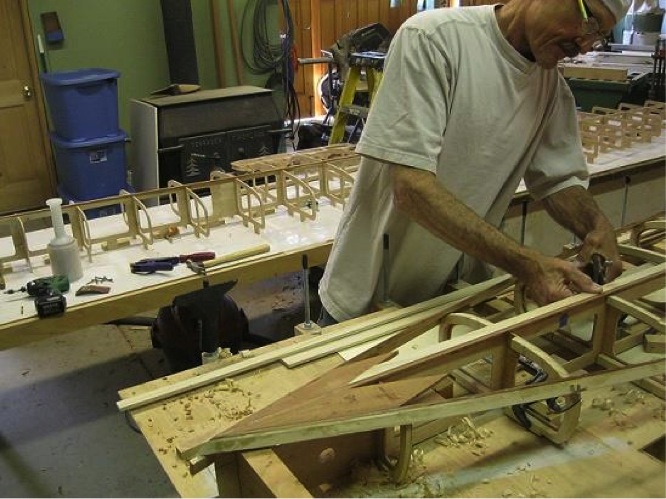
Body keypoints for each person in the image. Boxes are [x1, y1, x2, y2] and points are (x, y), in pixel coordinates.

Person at [317, 0, 629, 326]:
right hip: (371, 303)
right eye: (589, 22)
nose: (583, 45)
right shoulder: (435, 40)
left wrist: (596, 225)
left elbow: (558, 181)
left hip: (458, 299)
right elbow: (411, 188)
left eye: (599, 36)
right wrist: (527, 264)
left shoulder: (549, 88)